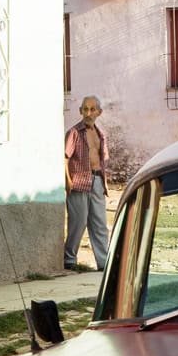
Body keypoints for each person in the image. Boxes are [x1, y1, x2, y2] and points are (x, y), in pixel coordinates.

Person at [64, 96, 111, 271]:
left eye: (92, 109)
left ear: (99, 112)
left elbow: (102, 160)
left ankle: (103, 262)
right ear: (80, 111)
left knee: (99, 224)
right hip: (78, 182)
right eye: (85, 109)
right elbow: (65, 158)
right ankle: (69, 259)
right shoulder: (74, 133)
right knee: (78, 222)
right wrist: (68, 181)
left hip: (97, 181)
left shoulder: (100, 134)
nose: (88, 113)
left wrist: (104, 183)